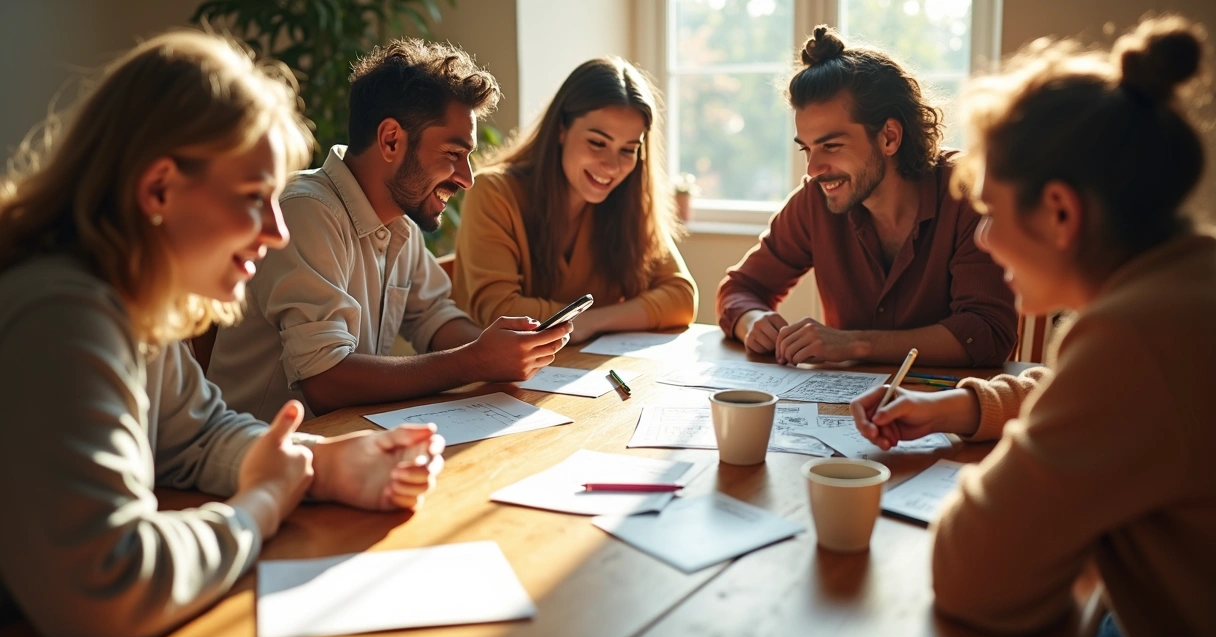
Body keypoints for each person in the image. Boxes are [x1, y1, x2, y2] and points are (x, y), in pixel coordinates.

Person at [0, 32, 445, 637]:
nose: (278, 232)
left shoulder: (130, 304)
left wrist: (322, 465)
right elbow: (106, 586)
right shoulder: (61, 316)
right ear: (159, 189)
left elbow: (198, 435)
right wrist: (259, 506)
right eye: (254, 198)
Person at [849, 16, 1215, 637]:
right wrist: (957, 408)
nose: (984, 239)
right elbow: (1075, 391)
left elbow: (970, 571)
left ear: (1061, 213)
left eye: (990, 211)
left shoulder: (1133, 336)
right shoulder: (1186, 285)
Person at [206, 39, 572, 422]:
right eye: (453, 154)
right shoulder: (305, 212)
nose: (467, 179)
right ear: (391, 140)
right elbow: (326, 380)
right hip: (255, 461)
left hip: (346, 444)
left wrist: (508, 350)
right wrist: (475, 361)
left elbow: (433, 317)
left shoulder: (400, 220)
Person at [716, 25, 1016, 368]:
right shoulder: (816, 200)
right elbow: (740, 289)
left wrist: (854, 344)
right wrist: (754, 322)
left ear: (889, 137)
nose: (814, 168)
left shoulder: (967, 194)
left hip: (949, 410)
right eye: (807, 149)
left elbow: (986, 333)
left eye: (831, 145)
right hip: (846, 411)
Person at [451, 57, 697, 343]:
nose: (612, 166)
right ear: (561, 129)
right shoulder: (494, 192)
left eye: (628, 150)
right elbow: (500, 312)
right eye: (597, 143)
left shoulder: (629, 200)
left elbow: (681, 297)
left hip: (579, 374)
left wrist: (592, 321)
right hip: (491, 381)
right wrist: (588, 320)